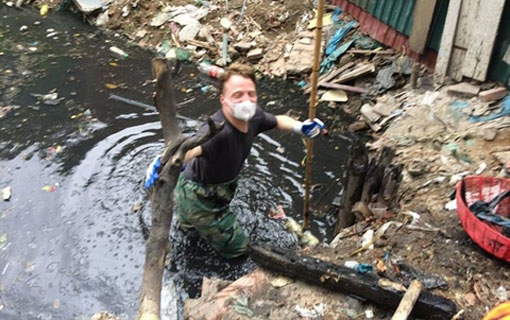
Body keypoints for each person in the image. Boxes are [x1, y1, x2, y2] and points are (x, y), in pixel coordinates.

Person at [145, 63, 324, 258]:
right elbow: (189, 150)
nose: (246, 100)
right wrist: (162, 161)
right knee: (239, 250)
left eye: (251, 94)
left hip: (210, 187)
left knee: (189, 231)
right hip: (200, 197)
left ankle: (189, 228)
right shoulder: (217, 131)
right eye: (238, 95)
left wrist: (300, 127)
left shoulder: (254, 116)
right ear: (223, 99)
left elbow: (278, 120)